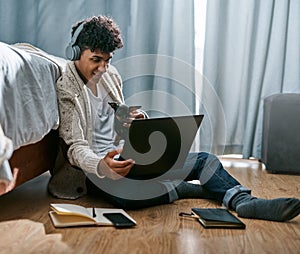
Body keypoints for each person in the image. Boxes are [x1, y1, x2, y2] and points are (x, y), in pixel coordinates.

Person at [48, 15, 300, 222]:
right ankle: (196, 189)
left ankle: (243, 202)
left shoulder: (110, 76)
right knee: (127, 198)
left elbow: (117, 117)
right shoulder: (67, 88)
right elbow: (75, 147)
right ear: (76, 53)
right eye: (96, 60)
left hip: (128, 160)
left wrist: (134, 120)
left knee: (205, 160)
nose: (103, 68)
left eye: (108, 60)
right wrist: (102, 166)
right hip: (95, 173)